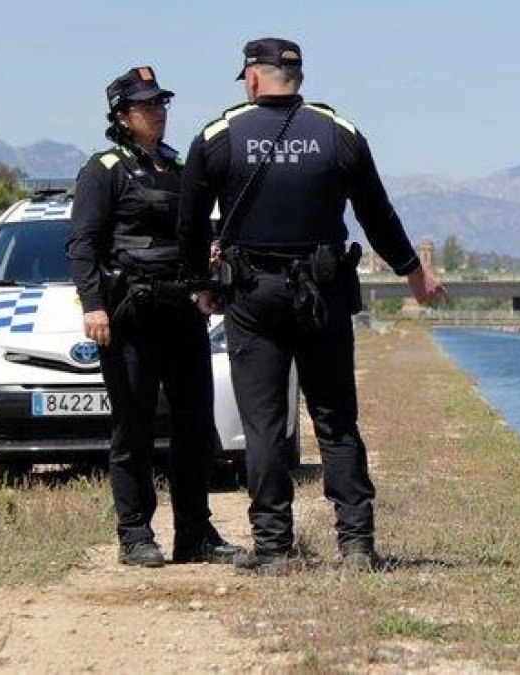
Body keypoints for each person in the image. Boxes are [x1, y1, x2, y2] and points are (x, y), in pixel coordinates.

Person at [178, 38, 446, 573]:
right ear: (297, 77)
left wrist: (200, 284)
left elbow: (188, 223)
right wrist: (413, 272)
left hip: (252, 297)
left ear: (254, 77)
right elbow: (376, 214)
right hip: (323, 293)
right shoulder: (338, 132)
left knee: (264, 423)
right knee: (336, 420)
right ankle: (357, 545)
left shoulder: (218, 135)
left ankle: (274, 547)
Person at [67, 65, 241, 567]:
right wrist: (93, 304)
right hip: (130, 315)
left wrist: (207, 274)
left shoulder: (179, 165)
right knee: (134, 428)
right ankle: (135, 534)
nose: (158, 112)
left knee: (194, 426)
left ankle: (195, 534)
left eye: (162, 103)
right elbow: (82, 244)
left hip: (182, 312)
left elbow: (196, 231)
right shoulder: (103, 169)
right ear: (122, 116)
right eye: (147, 105)